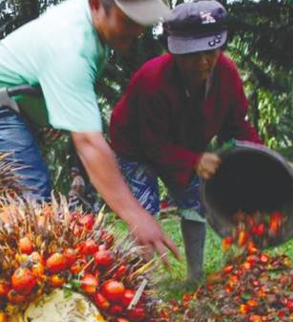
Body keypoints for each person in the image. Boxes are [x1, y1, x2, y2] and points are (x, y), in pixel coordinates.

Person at [0, 0, 180, 262]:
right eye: (128, 21)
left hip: (14, 103)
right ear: (96, 5)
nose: (137, 32)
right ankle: (4, 279)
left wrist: (44, 115)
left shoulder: (94, 28)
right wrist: (135, 214)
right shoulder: (71, 47)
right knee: (31, 203)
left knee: (30, 208)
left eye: (142, 23)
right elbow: (88, 143)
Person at [109, 1, 262, 282]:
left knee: (194, 201)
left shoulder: (227, 74)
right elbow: (152, 145)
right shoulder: (152, 81)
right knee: (146, 211)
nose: (202, 62)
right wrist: (194, 161)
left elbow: (237, 125)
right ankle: (143, 280)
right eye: (192, 55)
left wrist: (263, 158)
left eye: (210, 52)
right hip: (135, 146)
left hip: (185, 145)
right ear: (174, 52)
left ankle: (195, 274)